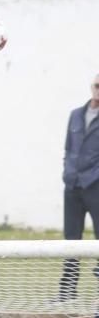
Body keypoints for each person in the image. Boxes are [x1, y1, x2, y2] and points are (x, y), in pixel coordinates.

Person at [57, 73, 99, 302]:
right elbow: (69, 149)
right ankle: (67, 291)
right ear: (91, 86)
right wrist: (68, 172)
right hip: (72, 186)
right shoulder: (75, 115)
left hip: (95, 186)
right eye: (97, 85)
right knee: (71, 240)